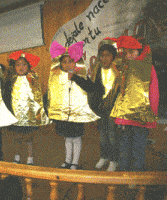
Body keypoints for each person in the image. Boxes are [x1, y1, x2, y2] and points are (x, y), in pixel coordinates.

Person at [68, 39, 121, 171]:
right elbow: (91, 88)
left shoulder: (118, 71)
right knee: (103, 135)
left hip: (114, 110)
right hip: (101, 109)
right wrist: (76, 78)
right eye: (102, 55)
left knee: (113, 136)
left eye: (108, 55)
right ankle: (104, 156)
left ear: (113, 56)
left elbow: (121, 92)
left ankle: (114, 160)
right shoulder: (98, 70)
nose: (104, 58)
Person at [47, 41, 100, 170]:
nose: (67, 64)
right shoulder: (57, 78)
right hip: (65, 115)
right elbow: (52, 95)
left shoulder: (81, 76)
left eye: (70, 61)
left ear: (76, 62)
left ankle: (75, 162)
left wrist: (76, 78)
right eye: (64, 62)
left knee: (76, 138)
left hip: (77, 114)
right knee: (67, 138)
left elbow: (91, 88)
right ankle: (67, 160)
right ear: (60, 63)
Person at [110, 35, 159, 172]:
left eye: (132, 52)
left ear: (139, 52)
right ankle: (124, 173)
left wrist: (151, 114)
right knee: (124, 145)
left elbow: (153, 92)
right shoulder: (125, 67)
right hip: (126, 118)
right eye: (127, 53)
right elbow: (121, 93)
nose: (129, 55)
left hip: (142, 117)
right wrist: (119, 117)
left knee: (139, 147)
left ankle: (136, 175)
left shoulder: (148, 68)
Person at [3, 50, 49, 165]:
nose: (21, 67)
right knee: (17, 137)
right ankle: (17, 157)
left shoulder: (33, 77)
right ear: (14, 67)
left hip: (29, 115)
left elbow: (38, 95)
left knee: (29, 138)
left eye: (24, 64)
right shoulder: (12, 79)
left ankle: (30, 158)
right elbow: (7, 95)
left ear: (29, 66)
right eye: (18, 65)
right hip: (16, 115)